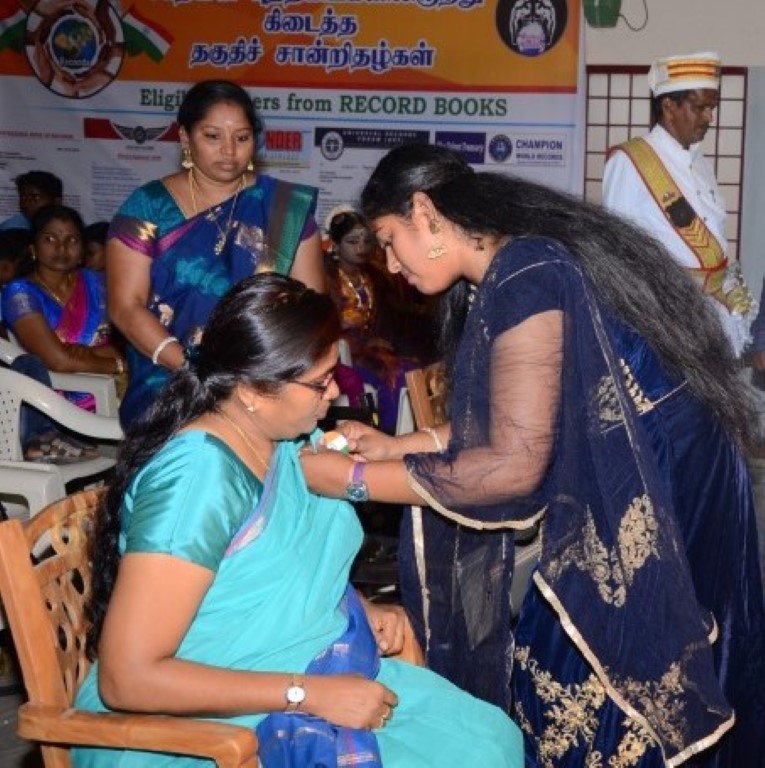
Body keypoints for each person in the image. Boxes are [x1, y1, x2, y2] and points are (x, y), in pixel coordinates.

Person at [300, 144, 765, 767]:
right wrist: (399, 446)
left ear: (424, 213)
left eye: (389, 239)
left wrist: (353, 479)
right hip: (636, 459)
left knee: (599, 669)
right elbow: (517, 421)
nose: (390, 263)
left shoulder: (526, 271)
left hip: (657, 471)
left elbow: (514, 465)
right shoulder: (511, 267)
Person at [73, 273, 523, 767]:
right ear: (252, 389)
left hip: (295, 664)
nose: (333, 394)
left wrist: (359, 606)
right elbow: (128, 677)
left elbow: (282, 573)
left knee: (489, 740)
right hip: (201, 720)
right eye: (319, 382)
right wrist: (307, 694)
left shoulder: (275, 444)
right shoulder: (198, 482)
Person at [107, 79, 325, 429]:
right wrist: (194, 371)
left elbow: (311, 313)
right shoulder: (148, 207)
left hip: (264, 386)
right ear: (185, 138)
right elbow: (125, 307)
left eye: (241, 138)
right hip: (169, 383)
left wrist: (259, 382)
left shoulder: (286, 210)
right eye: (213, 136)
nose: (229, 151)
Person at [602, 51, 756, 357]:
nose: (709, 117)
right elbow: (616, 253)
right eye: (699, 107)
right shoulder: (631, 162)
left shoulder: (701, 162)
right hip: (664, 321)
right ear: (669, 107)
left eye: (712, 107)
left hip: (713, 316)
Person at [1, 205, 124, 459]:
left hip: (113, 391)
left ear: (82, 250)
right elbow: (57, 360)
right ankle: (46, 441)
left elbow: (126, 339)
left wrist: (98, 356)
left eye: (72, 240)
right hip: (53, 401)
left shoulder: (98, 283)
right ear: (33, 249)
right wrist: (118, 363)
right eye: (50, 239)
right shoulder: (20, 293)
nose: (61, 248)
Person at [325, 208, 434, 433]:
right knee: (392, 372)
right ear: (335, 244)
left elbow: (391, 313)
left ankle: (404, 434)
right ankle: (382, 432)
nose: (361, 248)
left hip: (371, 348)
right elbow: (324, 324)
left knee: (410, 368)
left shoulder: (374, 276)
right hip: (342, 354)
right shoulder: (325, 278)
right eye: (353, 241)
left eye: (366, 241)